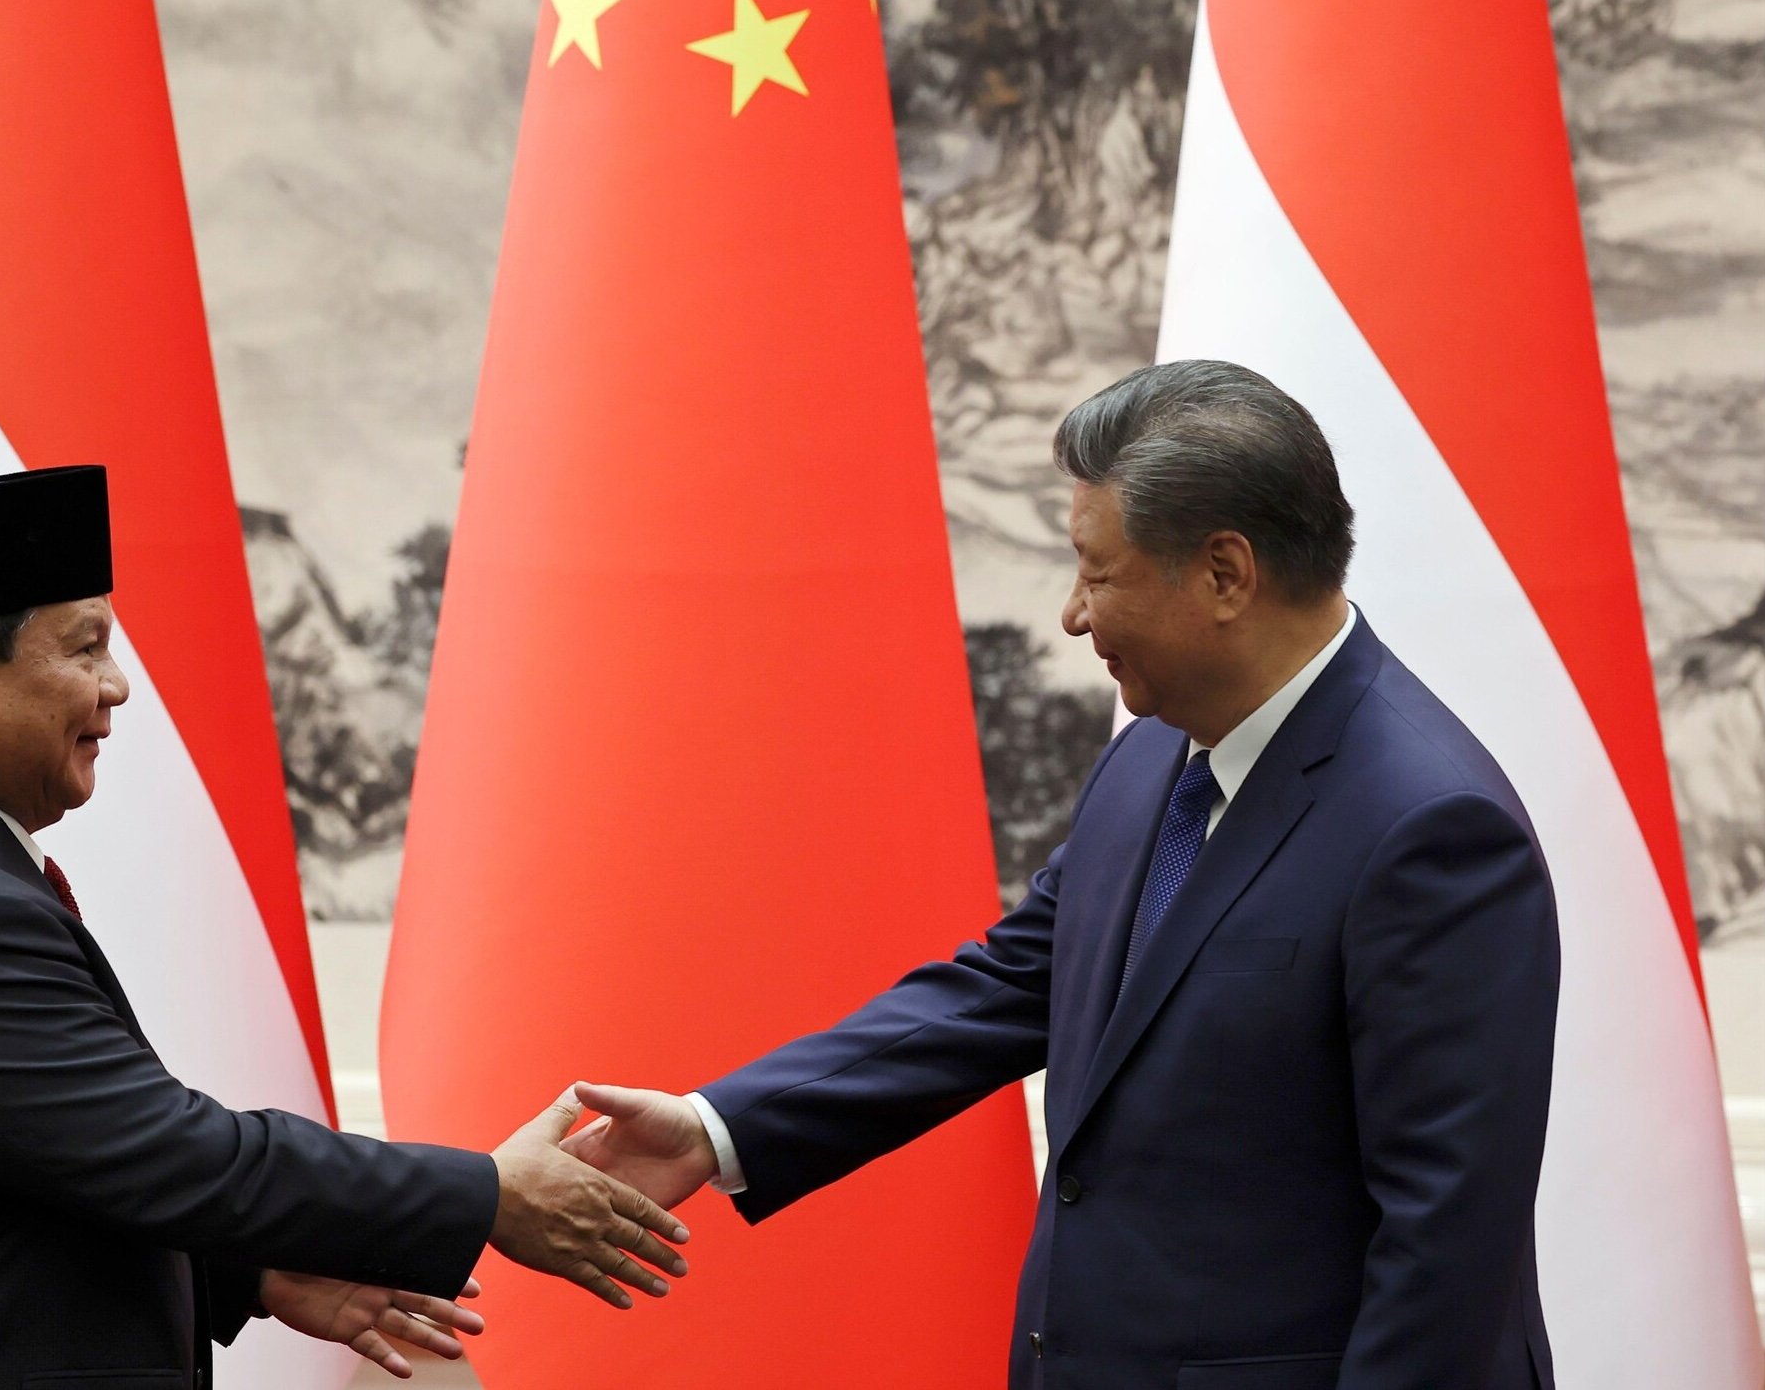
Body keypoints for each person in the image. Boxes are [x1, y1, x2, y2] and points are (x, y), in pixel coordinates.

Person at [563, 361, 1560, 1390]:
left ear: (1226, 573)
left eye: (1097, 573)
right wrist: (717, 1127)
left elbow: (1447, 1243)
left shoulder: (1432, 830)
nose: (1073, 616)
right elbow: (1012, 984)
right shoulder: (1152, 755)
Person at [0, 466, 689, 1390]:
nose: (117, 686)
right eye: (84, 648)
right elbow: (175, 1151)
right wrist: (487, 1195)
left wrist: (247, 1272)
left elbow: (24, 1171)